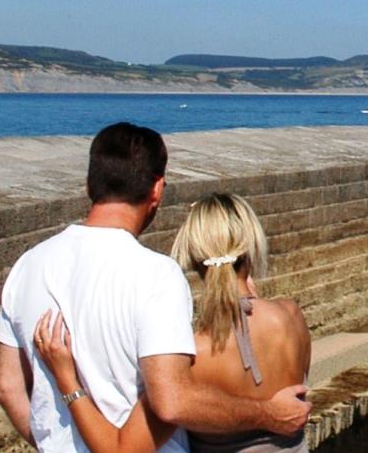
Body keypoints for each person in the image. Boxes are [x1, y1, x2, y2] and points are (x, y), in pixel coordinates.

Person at [0, 123, 310, 452]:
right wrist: (268, 414)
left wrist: (52, 443)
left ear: (89, 185)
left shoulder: (27, 266)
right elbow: (172, 403)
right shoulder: (157, 275)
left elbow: (6, 387)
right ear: (157, 189)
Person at [33, 193, 312, 452]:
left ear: (193, 258)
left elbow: (120, 449)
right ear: (252, 246)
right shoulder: (292, 317)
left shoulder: (190, 359)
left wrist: (68, 382)